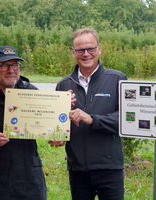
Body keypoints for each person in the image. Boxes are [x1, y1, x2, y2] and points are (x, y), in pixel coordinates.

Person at [54, 28, 127, 200]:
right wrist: (56, 135)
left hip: (110, 169)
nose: (86, 54)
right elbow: (57, 123)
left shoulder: (117, 79)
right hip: (78, 170)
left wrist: (92, 119)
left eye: (91, 49)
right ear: (73, 53)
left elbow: (126, 120)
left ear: (99, 49)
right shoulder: (64, 84)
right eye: (80, 50)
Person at [0, 46, 47, 200]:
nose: (11, 70)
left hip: (30, 180)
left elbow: (48, 125)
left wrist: (57, 133)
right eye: (4, 65)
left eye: (15, 65)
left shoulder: (33, 94)